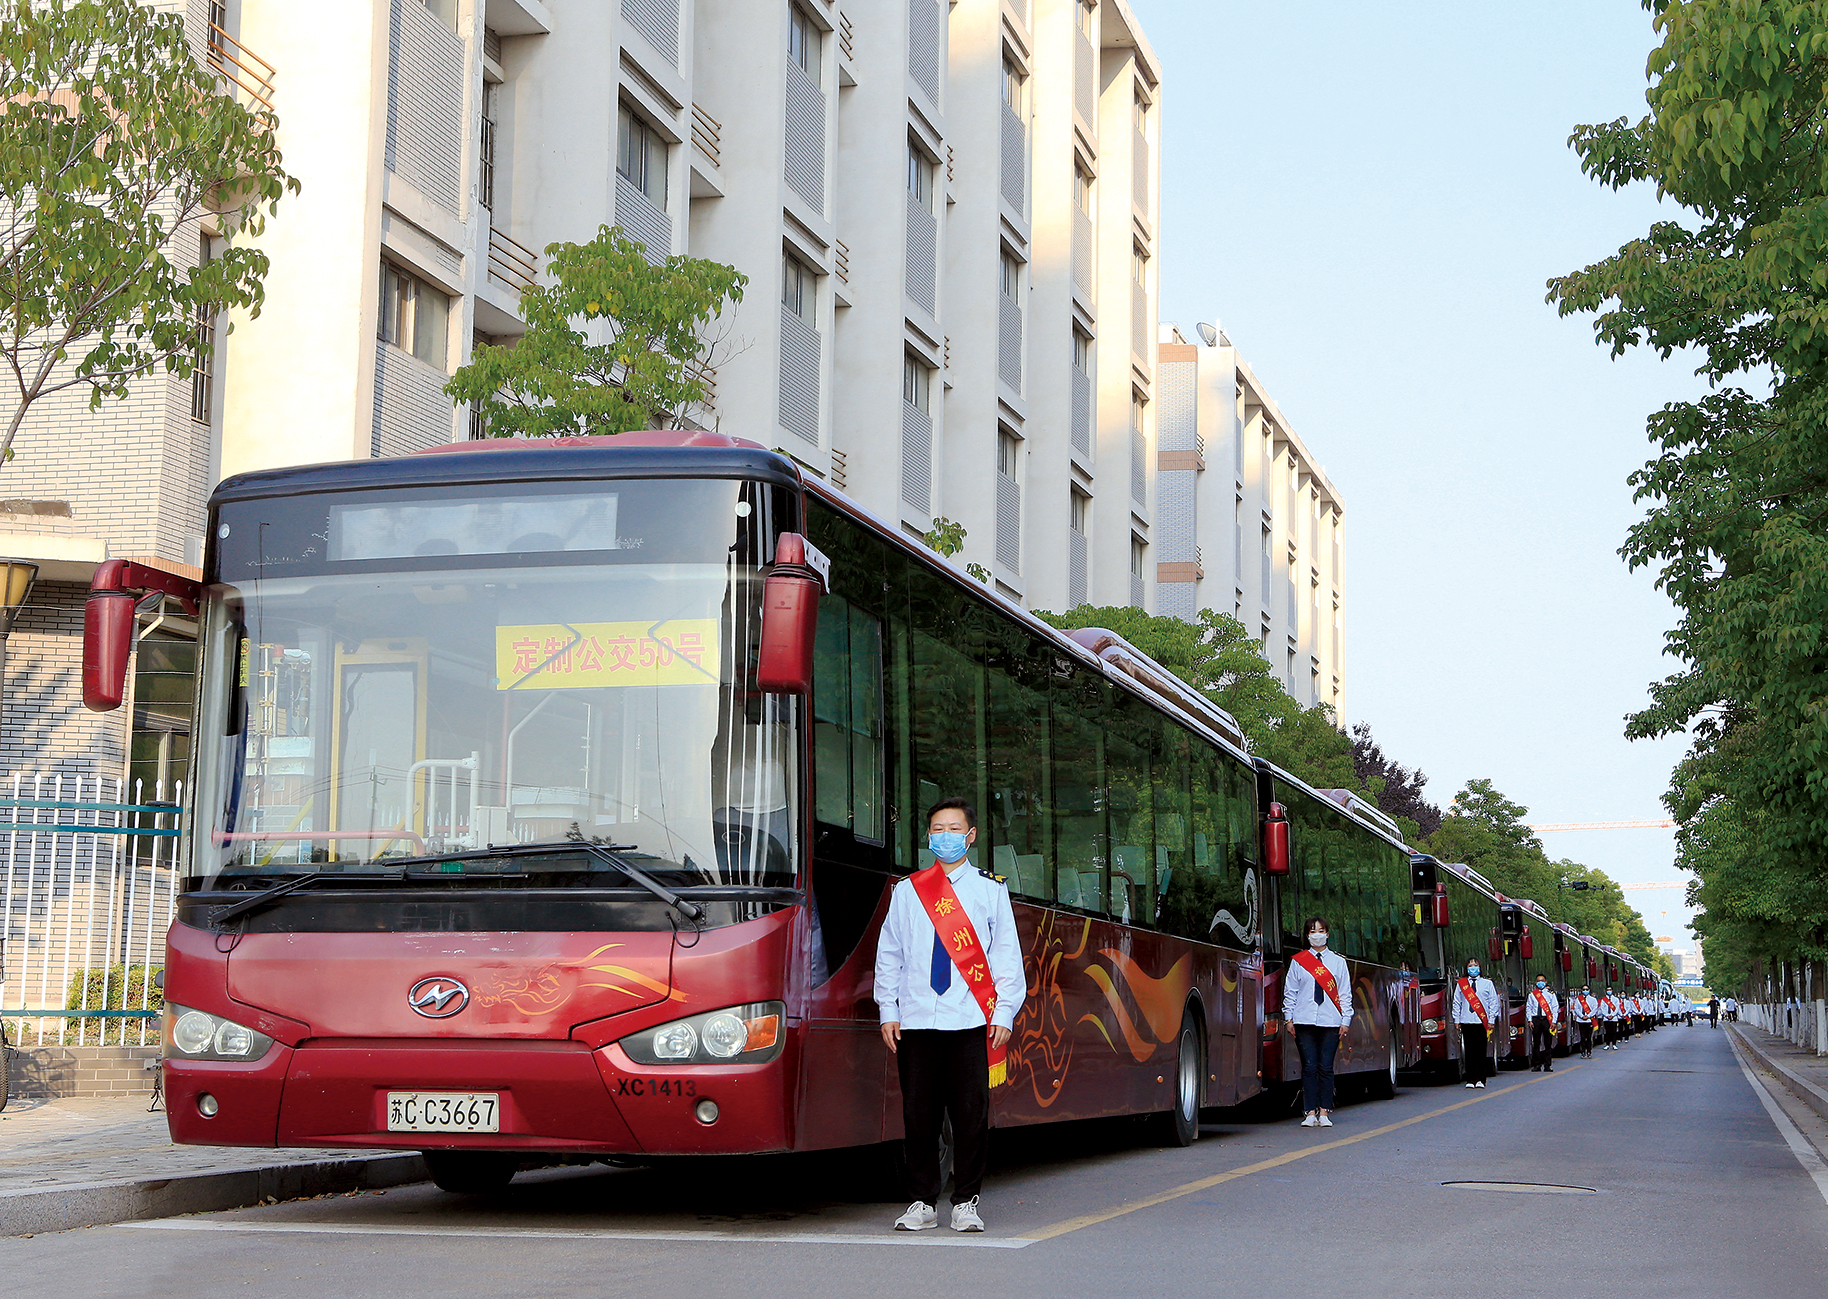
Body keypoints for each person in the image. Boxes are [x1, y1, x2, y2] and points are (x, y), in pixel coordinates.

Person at [876, 799, 1025, 1234]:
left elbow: (1006, 959)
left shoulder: (989, 891)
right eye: (937, 828)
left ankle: (966, 1201)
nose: (945, 835)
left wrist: (1005, 1011)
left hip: (971, 1019)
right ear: (928, 836)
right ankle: (922, 1201)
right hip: (918, 1019)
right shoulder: (908, 891)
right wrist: (888, 1008)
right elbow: (890, 955)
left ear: (970, 836)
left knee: (970, 1114)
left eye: (953, 828)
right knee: (918, 1115)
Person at [1282, 916, 1353, 1128]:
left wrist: (1346, 1020)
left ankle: (1324, 1111)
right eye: (1312, 931)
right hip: (1304, 1020)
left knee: (1325, 1066)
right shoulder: (1298, 962)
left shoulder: (1338, 963)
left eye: (1321, 930)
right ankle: (1309, 1112)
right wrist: (1288, 1018)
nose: (1317, 935)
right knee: (1309, 1066)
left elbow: (1345, 993)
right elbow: (1290, 992)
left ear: (1328, 934)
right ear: (1307, 935)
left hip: (1331, 1021)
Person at [1452, 956, 1502, 1089]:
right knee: (1469, 1051)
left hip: (1481, 1022)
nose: (1472, 968)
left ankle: (1480, 1079)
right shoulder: (1461, 984)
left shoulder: (1487, 984)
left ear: (1479, 968)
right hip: (1466, 1021)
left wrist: (1491, 1020)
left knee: (1481, 1051)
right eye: (1470, 966)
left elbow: (1493, 1003)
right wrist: (1456, 1020)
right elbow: (1457, 1002)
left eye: (1475, 965)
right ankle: (1470, 1079)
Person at [1525, 975, 1560, 1072]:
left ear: (1546, 982)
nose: (1540, 983)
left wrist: (1554, 1021)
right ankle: (1536, 1065)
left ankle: (1547, 1065)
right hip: (1536, 1019)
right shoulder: (1532, 994)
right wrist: (1530, 1020)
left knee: (1547, 1043)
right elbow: (1529, 1008)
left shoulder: (1551, 994)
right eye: (1538, 981)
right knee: (1536, 1043)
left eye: (1542, 981)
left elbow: (1554, 1008)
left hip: (1546, 1020)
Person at [1569, 985, 1598, 1059]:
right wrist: (1582, 1016)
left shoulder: (1593, 999)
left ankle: (1589, 1051)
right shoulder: (1578, 999)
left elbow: (1595, 1009)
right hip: (1581, 1020)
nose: (1585, 991)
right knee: (1582, 1037)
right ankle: (1582, 1052)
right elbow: (1576, 1008)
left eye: (1586, 989)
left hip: (1589, 1020)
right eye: (1584, 989)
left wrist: (1588, 1016)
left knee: (1589, 1037)